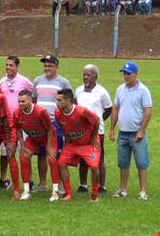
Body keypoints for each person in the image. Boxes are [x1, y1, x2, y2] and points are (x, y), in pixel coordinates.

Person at [109, 62, 152, 200]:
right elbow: (115, 108)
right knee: (123, 163)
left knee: (141, 162)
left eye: (129, 73)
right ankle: (123, 189)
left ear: (136, 74)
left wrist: (141, 131)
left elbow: (147, 111)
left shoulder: (143, 90)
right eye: (124, 73)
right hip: (123, 132)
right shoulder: (120, 89)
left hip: (136, 133)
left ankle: (143, 191)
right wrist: (112, 128)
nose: (126, 76)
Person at [32, 54, 71, 192]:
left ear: (56, 67)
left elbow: (69, 102)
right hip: (41, 124)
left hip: (56, 123)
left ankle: (59, 185)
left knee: (57, 153)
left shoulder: (63, 82)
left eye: (50, 66)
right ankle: (42, 184)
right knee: (42, 154)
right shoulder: (37, 80)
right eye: (45, 65)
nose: (47, 68)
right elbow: (34, 100)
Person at [13, 90, 60, 201]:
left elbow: (50, 129)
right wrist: (23, 145)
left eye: (23, 101)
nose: (20, 104)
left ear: (30, 100)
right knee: (23, 158)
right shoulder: (17, 112)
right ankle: (26, 191)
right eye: (19, 101)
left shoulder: (40, 112)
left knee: (52, 160)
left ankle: (55, 192)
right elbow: (18, 129)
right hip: (33, 139)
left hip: (48, 137)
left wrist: (49, 146)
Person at [55, 89, 101, 202]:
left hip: (88, 143)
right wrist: (67, 141)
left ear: (68, 101)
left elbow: (96, 120)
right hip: (73, 144)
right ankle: (68, 193)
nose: (57, 102)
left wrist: (94, 138)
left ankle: (94, 194)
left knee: (94, 167)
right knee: (61, 162)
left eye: (59, 100)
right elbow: (63, 127)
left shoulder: (81, 111)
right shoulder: (58, 113)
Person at [0, 56, 33, 190]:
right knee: (5, 152)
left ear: (17, 66)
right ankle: (3, 179)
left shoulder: (25, 81)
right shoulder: (1, 82)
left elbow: (32, 96)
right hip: (6, 122)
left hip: (22, 121)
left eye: (11, 65)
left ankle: (28, 179)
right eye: (6, 65)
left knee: (24, 152)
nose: (8, 68)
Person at [75, 64, 112, 194]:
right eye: (84, 74)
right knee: (82, 157)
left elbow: (108, 109)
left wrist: (98, 121)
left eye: (88, 75)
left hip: (97, 131)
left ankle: (102, 185)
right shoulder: (79, 90)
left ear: (95, 77)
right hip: (81, 131)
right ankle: (83, 184)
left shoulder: (102, 92)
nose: (85, 77)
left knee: (99, 157)